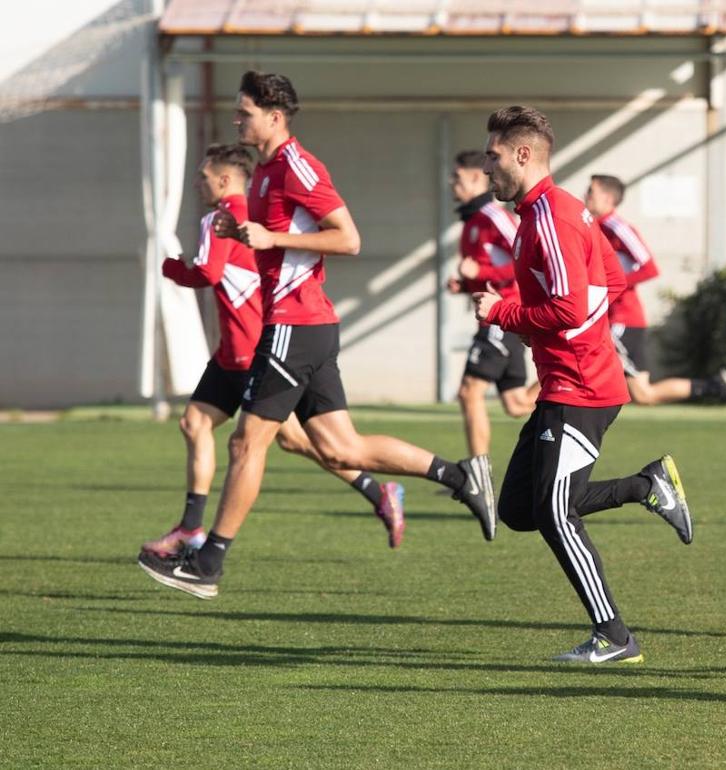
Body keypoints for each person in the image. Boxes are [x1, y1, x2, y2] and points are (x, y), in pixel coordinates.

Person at [137, 71, 496, 600]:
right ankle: (462, 477)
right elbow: (280, 243)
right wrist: (245, 236)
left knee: (245, 442)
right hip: (304, 325)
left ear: (274, 116)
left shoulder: (297, 166)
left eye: (244, 112)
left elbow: (348, 238)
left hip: (295, 324)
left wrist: (269, 236)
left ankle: (208, 563)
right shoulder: (264, 172)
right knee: (340, 448)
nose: (236, 120)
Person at [474, 106, 694, 664]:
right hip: (566, 381)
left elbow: (572, 307)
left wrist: (503, 313)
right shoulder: (548, 212)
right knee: (520, 509)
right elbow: (610, 282)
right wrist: (561, 328)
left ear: (523, 154)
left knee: (554, 514)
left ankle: (614, 637)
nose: (486, 167)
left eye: (493, 156)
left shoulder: (552, 216)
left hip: (582, 387)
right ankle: (645, 486)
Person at [142, 143, 406, 558]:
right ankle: (191, 529)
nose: (197, 184)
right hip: (235, 347)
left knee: (299, 441)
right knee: (197, 423)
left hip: (250, 349)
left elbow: (208, 271)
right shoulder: (256, 214)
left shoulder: (220, 218)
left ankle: (380, 491)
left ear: (224, 180)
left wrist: (171, 267)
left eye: (203, 177)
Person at [583, 174, 726, 414]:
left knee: (585, 363)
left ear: (608, 198)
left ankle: (544, 406)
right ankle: (716, 387)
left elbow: (649, 267)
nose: (586, 196)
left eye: (591, 191)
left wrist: (610, 286)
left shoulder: (616, 227)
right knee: (643, 393)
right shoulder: (594, 226)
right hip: (620, 320)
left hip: (621, 320)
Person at [445, 149, 537, 473]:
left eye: (456, 177)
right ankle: (564, 374)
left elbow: (528, 259)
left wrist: (480, 272)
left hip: (503, 316)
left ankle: (477, 475)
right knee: (517, 404)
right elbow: (491, 270)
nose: (451, 183)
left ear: (474, 178)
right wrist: (464, 284)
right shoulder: (472, 221)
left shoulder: (494, 216)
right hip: (495, 317)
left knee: (469, 392)